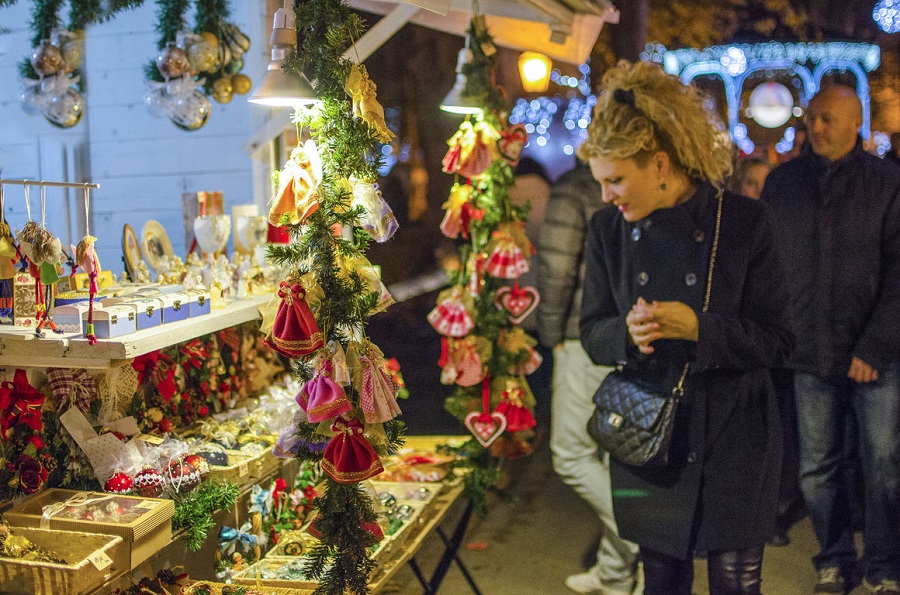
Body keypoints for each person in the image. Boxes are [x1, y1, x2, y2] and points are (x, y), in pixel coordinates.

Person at [578, 60, 793, 595]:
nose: (608, 195)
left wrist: (702, 328)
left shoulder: (744, 223)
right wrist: (629, 333)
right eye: (601, 182)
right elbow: (592, 331)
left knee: (735, 584)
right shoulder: (606, 229)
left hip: (737, 436)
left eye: (616, 180)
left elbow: (778, 340)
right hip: (649, 437)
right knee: (662, 581)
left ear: (660, 163)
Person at [760, 84, 900, 595]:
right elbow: (769, 265)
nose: (817, 127)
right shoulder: (783, 183)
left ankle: (885, 563)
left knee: (883, 462)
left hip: (874, 354)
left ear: (855, 124)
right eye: (813, 118)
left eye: (829, 120)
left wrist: (876, 346)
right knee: (817, 467)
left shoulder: (887, 184)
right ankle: (834, 558)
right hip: (807, 352)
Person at [537, 159, 640, 595]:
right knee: (609, 456)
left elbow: (557, 266)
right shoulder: (639, 179)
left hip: (583, 332)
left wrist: (551, 331)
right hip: (628, 331)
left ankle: (637, 532)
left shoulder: (576, 187)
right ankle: (617, 574)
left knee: (571, 452)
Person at [509, 156, 554, 421]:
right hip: (543, 294)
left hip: (509, 296)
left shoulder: (502, 199)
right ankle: (540, 419)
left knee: (515, 364)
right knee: (542, 363)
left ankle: (518, 418)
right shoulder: (552, 197)